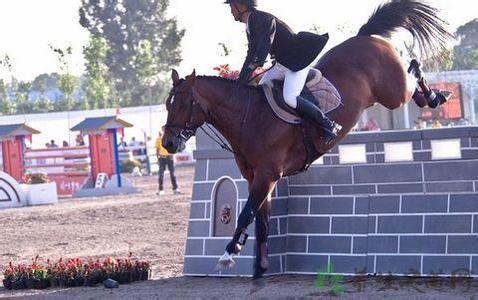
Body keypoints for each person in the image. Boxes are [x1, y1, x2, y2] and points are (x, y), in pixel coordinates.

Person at [225, 0, 342, 144]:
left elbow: (262, 49)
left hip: (296, 62)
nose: (231, 12)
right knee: (261, 93)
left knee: (290, 98)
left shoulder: (261, 18)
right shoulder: (251, 22)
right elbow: (251, 53)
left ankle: (328, 124)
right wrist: (241, 79)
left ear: (240, 5)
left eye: (231, 7)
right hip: (281, 65)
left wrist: (250, 70)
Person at [156, 128, 180, 196]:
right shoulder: (159, 139)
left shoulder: (170, 138)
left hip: (169, 157)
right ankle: (161, 189)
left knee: (172, 174)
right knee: (161, 174)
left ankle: (175, 188)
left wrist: (172, 155)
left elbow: (174, 147)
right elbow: (157, 149)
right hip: (162, 157)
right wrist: (157, 158)